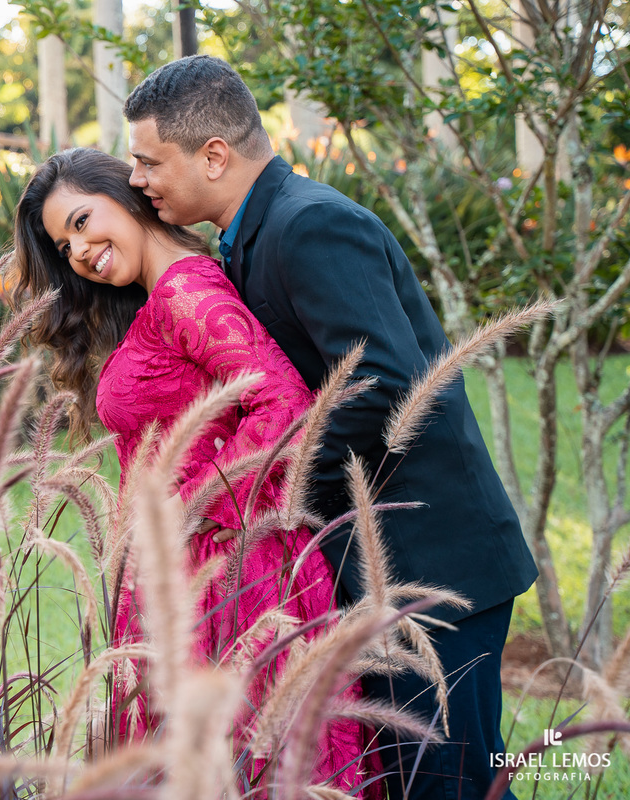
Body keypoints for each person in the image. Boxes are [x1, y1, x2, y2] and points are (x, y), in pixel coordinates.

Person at [122, 54, 538, 800]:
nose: (137, 181)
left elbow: (383, 385)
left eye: (149, 161)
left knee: (451, 783)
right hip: (372, 564)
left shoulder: (310, 224)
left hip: (432, 566)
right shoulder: (249, 235)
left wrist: (262, 495)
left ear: (213, 155)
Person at [12, 147, 379, 796]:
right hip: (192, 572)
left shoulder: (186, 289)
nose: (76, 250)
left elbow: (285, 403)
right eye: (62, 244)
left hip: (230, 573)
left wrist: (193, 505)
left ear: (126, 198)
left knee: (246, 763)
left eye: (81, 220)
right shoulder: (161, 299)